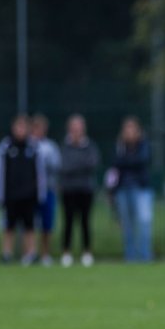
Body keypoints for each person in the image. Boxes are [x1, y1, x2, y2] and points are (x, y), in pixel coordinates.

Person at [0, 115, 42, 264]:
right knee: (9, 226)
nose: (21, 130)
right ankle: (7, 254)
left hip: (29, 194)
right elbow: (1, 173)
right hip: (11, 195)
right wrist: (0, 194)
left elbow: (40, 172)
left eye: (23, 127)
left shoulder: (33, 147)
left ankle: (30, 254)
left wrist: (39, 193)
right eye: (18, 127)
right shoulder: (6, 147)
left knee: (30, 226)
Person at [59, 114, 99, 266]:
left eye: (79, 128)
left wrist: (75, 166)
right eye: (73, 128)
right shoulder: (65, 146)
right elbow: (64, 166)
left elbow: (93, 164)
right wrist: (80, 165)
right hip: (68, 190)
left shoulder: (90, 146)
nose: (76, 131)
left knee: (85, 222)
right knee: (68, 222)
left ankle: (87, 252)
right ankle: (66, 252)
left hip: (86, 189)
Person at [113, 116, 153, 263]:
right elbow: (116, 163)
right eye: (126, 129)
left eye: (132, 129)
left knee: (144, 222)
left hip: (141, 189)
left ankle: (145, 256)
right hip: (123, 189)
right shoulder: (120, 146)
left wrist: (126, 162)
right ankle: (129, 257)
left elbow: (142, 161)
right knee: (127, 225)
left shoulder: (144, 145)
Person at [30, 113, 61, 266]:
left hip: (48, 189)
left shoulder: (50, 147)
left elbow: (57, 166)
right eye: (36, 128)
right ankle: (30, 253)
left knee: (47, 224)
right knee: (30, 224)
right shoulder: (27, 146)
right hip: (30, 192)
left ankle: (45, 254)